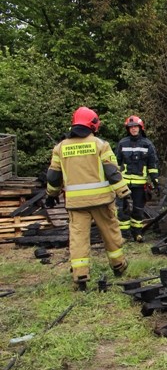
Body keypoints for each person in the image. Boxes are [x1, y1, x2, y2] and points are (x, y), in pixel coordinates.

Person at [45, 107, 131, 291]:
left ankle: (81, 275)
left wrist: (51, 195)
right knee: (110, 233)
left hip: (76, 204)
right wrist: (124, 193)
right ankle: (118, 266)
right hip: (102, 201)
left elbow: (53, 177)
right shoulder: (100, 145)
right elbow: (112, 173)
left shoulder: (60, 148)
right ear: (93, 124)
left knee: (78, 238)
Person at [115, 115, 160, 242]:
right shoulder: (122, 143)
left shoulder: (147, 144)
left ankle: (137, 233)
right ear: (127, 129)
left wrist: (155, 181)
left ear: (140, 128)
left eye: (135, 127)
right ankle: (124, 235)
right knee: (121, 208)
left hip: (140, 184)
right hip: (123, 183)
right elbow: (116, 163)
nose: (133, 129)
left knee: (138, 208)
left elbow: (153, 164)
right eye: (131, 127)